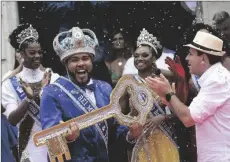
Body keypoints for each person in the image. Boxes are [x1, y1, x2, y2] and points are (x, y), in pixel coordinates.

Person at [40, 26, 132, 162]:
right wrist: (67, 138)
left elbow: (116, 130)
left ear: (92, 61)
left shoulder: (104, 88)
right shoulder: (52, 92)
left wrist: (132, 133)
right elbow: (52, 142)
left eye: (85, 58)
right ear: (66, 64)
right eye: (74, 60)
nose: (81, 63)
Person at [146, 31, 230, 162]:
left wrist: (169, 93)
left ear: (203, 58)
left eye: (191, 54)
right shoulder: (214, 78)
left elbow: (188, 118)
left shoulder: (217, 81)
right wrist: (167, 99)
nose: (186, 59)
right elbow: (188, 115)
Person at [1, 24, 59, 162]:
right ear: (21, 54)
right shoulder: (10, 83)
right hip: (28, 144)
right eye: (32, 53)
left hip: (54, 143)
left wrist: (44, 93)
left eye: (39, 52)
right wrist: (28, 99)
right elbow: (12, 119)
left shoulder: (53, 78)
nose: (37, 56)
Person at [122, 28, 180, 162]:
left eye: (144, 55)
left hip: (166, 139)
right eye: (136, 56)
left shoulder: (165, 80)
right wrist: (132, 124)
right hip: (142, 141)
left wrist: (163, 117)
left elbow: (181, 112)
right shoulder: (128, 83)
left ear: (154, 57)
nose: (139, 59)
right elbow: (121, 117)